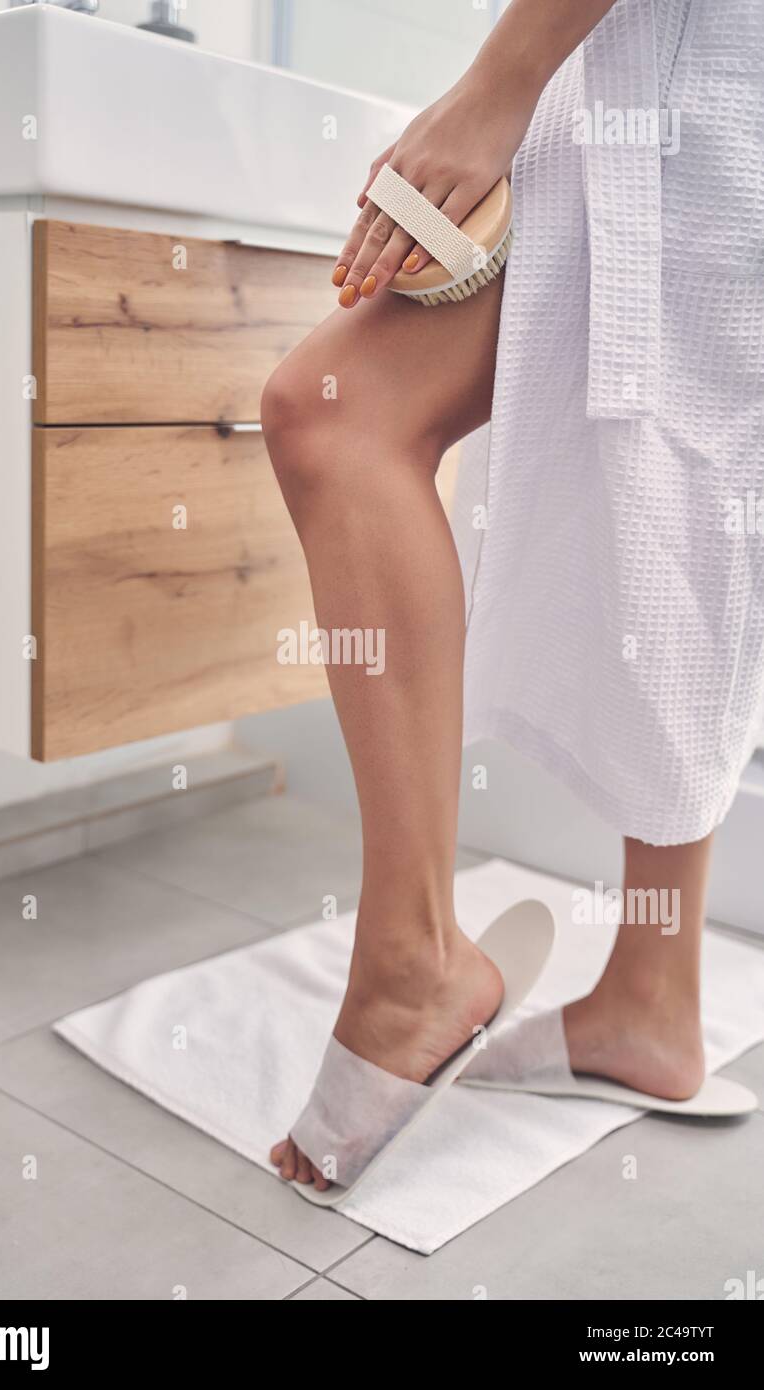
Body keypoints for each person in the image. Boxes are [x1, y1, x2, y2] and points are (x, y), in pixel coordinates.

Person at [260, 0, 764, 1190]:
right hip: (668, 71)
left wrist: (498, 82)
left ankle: (414, 959)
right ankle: (651, 993)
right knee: (683, 489)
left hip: (686, 83)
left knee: (337, 413)